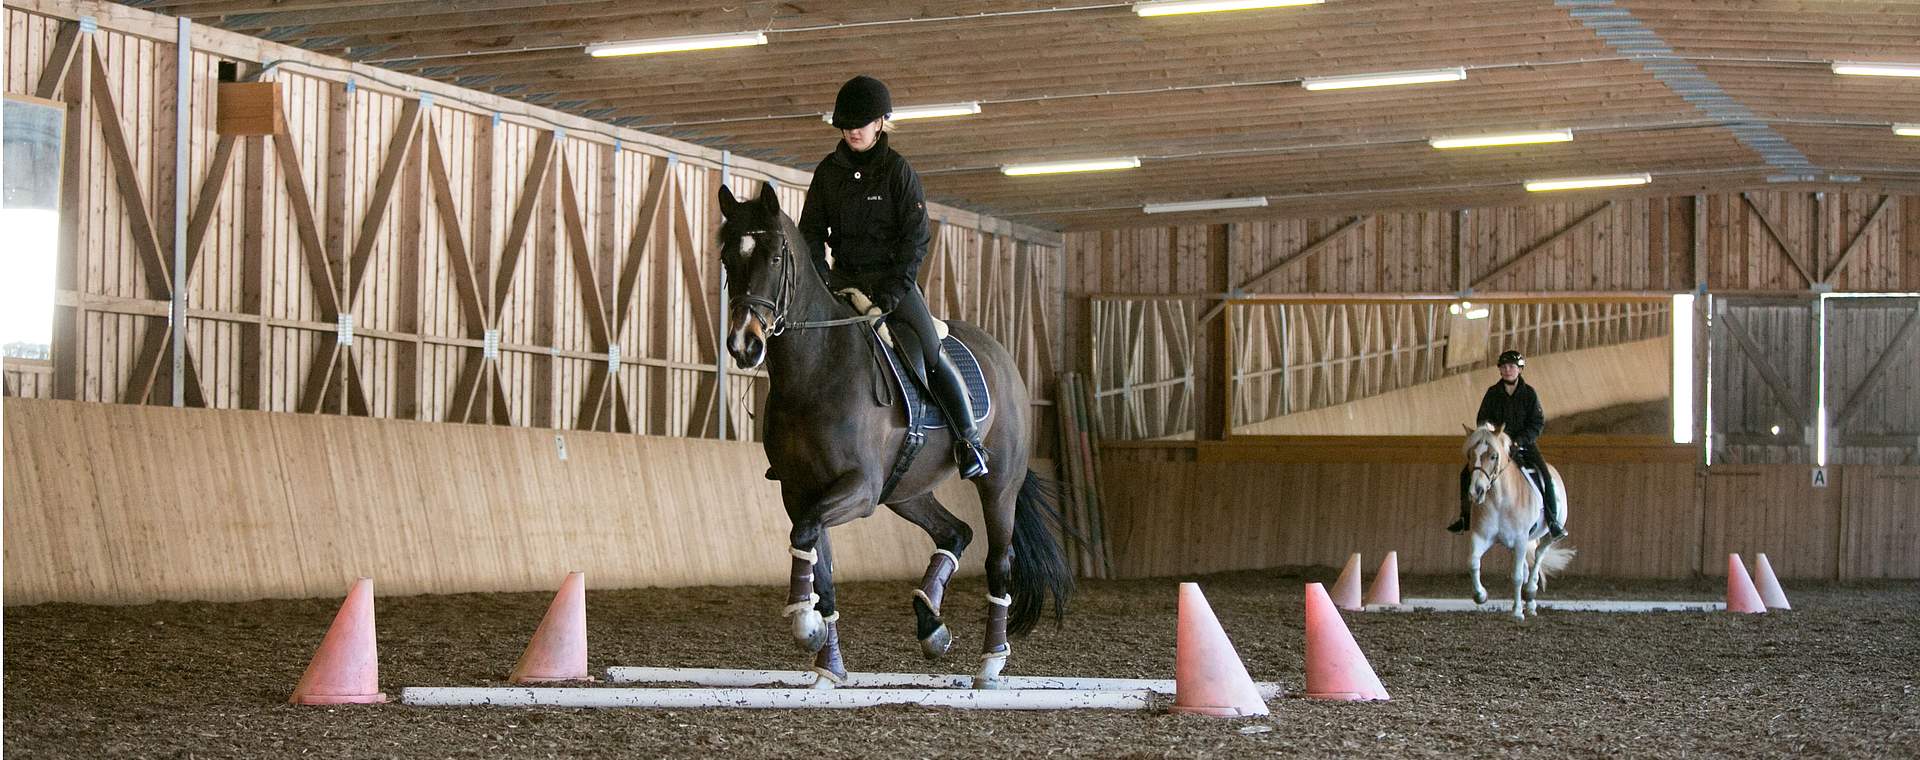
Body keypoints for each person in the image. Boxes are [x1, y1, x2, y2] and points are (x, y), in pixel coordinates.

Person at [798, 75, 990, 479]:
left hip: (893, 286)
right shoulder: (827, 174)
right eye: (847, 124)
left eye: (861, 123)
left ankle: (968, 440)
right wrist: (822, 279)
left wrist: (892, 292)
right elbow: (811, 232)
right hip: (843, 282)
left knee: (930, 348)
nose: (853, 130)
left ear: (880, 123)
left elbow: (915, 238)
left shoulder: (898, 172)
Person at [1449, 349, 1565, 538]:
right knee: (1466, 473)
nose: (1507, 370)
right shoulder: (1493, 393)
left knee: (1544, 474)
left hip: (1523, 445)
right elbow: (1482, 419)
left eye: (1511, 367)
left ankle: (1552, 521)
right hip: (1495, 446)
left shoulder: (1529, 394)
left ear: (1519, 369)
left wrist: (1519, 441)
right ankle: (1464, 517)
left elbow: (1537, 423)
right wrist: (1489, 432)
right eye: (1503, 367)